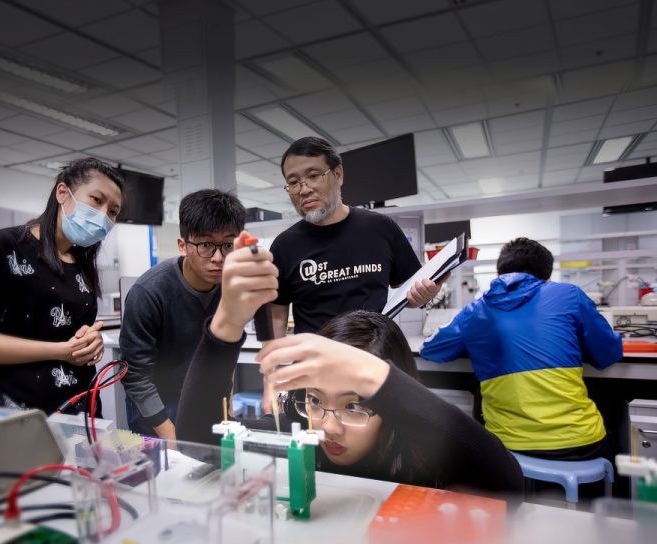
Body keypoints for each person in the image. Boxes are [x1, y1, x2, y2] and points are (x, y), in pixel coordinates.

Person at [176, 235, 524, 497]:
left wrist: (376, 377)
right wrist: (226, 323)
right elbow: (197, 441)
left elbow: (508, 484)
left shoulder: (422, 451)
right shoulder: (301, 434)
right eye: (314, 399)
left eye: (354, 405)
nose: (328, 427)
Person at [420, 237, 623, 460]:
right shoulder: (569, 296)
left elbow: (431, 349)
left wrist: (475, 344)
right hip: (578, 441)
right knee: (615, 422)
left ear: (500, 273)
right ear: (546, 277)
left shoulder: (474, 312)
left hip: (505, 444)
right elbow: (609, 354)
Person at [0, 158, 123, 413]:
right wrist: (61, 351)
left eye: (113, 212)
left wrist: (92, 342)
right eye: (97, 200)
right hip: (20, 411)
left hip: (78, 407)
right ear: (63, 193)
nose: (103, 216)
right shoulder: (4, 246)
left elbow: (74, 331)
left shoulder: (81, 263)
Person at [268, 136, 443, 338]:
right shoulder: (284, 246)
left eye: (314, 176)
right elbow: (276, 314)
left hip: (374, 358)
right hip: (313, 364)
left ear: (338, 174)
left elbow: (411, 295)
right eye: (293, 182)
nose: (304, 189)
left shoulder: (381, 228)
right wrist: (273, 365)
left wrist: (425, 295)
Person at [120, 189, 245, 439]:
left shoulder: (232, 286)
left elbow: (226, 350)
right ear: (183, 246)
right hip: (159, 409)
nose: (218, 258)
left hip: (205, 401)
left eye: (228, 245)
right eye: (206, 245)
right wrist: (172, 438)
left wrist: (226, 398)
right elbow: (136, 378)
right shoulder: (149, 293)